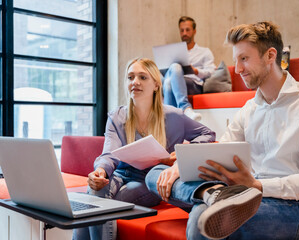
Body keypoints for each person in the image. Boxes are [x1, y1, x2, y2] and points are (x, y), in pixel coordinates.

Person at [145, 21, 299, 239]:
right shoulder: (249, 109)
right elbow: (223, 148)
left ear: (270, 56)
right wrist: (183, 164)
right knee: (156, 174)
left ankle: (212, 200)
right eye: (236, 60)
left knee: (202, 217)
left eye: (244, 59)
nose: (237, 69)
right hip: (243, 194)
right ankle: (211, 194)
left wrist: (257, 185)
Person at [73, 57, 215, 240]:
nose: (135, 82)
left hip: (148, 181)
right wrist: (100, 171)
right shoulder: (117, 117)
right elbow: (108, 153)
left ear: (156, 84)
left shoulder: (174, 116)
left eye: (142, 77)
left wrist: (181, 156)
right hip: (119, 175)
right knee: (94, 192)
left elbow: (208, 134)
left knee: (98, 204)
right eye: (130, 77)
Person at [162, 16, 216, 121]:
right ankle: (185, 110)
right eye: (182, 30)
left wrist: (196, 71)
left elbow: (212, 71)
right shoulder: (174, 53)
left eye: (187, 30)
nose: (184, 33)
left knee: (174, 69)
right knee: (168, 81)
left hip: (193, 85)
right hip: (174, 82)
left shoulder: (204, 51)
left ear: (194, 31)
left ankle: (167, 118)